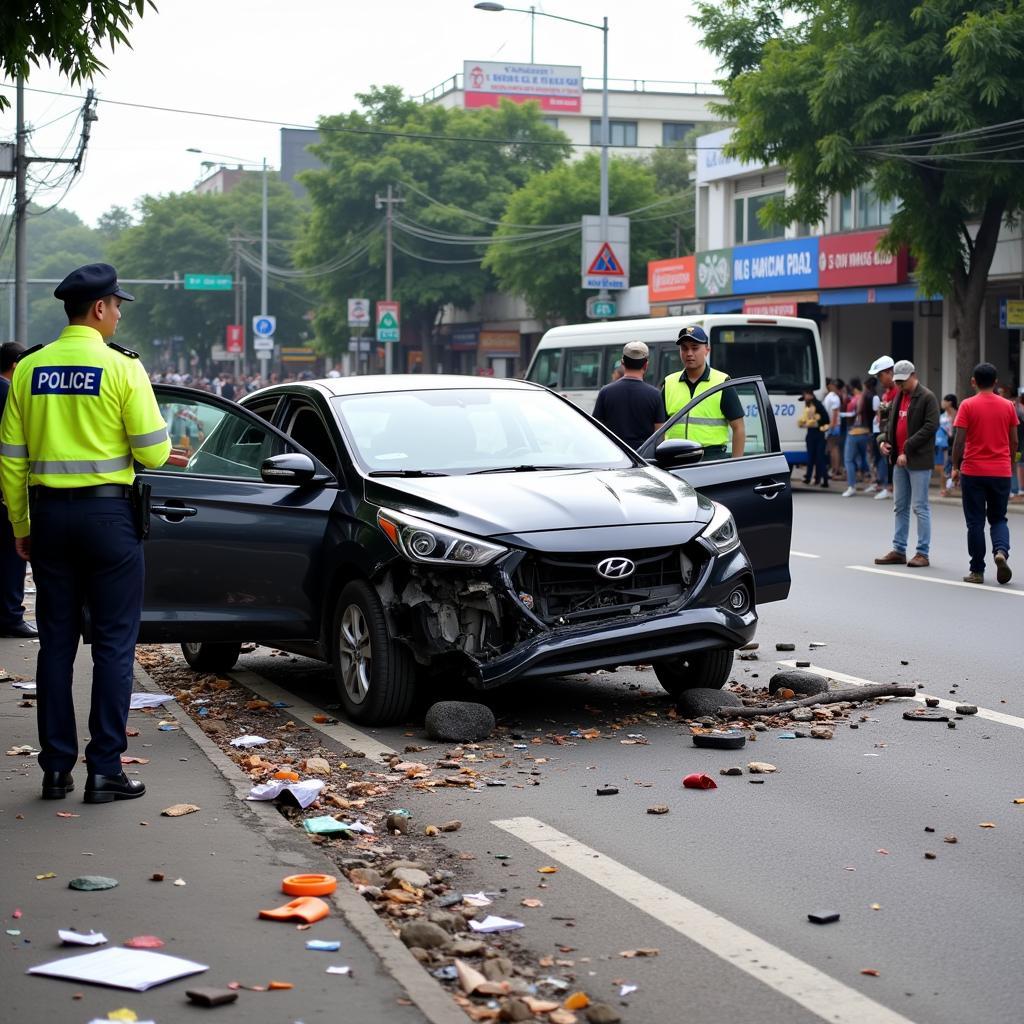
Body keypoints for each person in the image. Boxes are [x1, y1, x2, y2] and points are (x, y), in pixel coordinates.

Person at [0, 263, 171, 803]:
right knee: (115, 645)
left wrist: (21, 526)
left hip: (48, 519)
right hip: (108, 520)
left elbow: (10, 459)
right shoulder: (122, 367)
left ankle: (54, 770)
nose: (118, 314)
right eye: (117, 305)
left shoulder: (29, 368)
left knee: (55, 643)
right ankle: (105, 771)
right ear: (99, 309)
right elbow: (154, 452)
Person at [951, 363, 1019, 584]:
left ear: (973, 381)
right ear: (996, 381)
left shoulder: (967, 405)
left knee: (975, 522)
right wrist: (1007, 464)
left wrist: (955, 466)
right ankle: (1000, 551)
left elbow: (959, 442)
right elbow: (1014, 441)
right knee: (999, 518)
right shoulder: (1008, 406)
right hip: (1000, 471)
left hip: (973, 470)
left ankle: (977, 570)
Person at [874, 361, 939, 568]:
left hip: (918, 460)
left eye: (903, 381)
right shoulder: (898, 397)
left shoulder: (927, 397)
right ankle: (899, 549)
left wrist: (907, 449)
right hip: (898, 460)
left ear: (913, 375)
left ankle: (922, 552)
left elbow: (930, 427)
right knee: (899, 506)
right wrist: (883, 441)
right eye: (897, 381)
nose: (900, 385)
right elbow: (891, 426)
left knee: (920, 507)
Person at [662, 325, 745, 459]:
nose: (689, 353)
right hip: (674, 459)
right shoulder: (669, 382)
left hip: (711, 459)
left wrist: (736, 465)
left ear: (707, 350)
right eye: (684, 348)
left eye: (695, 348)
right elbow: (659, 427)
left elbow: (738, 428)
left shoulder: (722, 382)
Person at [0, 342, 37, 639]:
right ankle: (10, 615)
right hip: (2, 490)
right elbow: (14, 450)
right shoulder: (6, 393)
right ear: (15, 366)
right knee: (10, 558)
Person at [592, 341, 665, 450]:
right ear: (646, 365)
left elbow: (595, 429)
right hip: (643, 458)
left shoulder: (605, 392)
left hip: (614, 455)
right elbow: (659, 436)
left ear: (622, 363)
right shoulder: (655, 395)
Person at [868, 355, 896, 499]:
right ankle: (889, 486)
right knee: (888, 459)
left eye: (880, 376)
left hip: (898, 434)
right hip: (888, 432)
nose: (879, 380)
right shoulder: (887, 392)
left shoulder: (898, 390)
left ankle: (891, 487)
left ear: (890, 372)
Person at [841, 377, 873, 496]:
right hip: (865, 432)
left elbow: (849, 416)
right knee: (864, 458)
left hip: (853, 432)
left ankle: (851, 486)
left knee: (849, 460)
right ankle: (873, 481)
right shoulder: (866, 397)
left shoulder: (854, 400)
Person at [798, 385, 829, 486]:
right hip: (811, 434)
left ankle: (824, 480)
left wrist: (816, 423)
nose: (804, 398)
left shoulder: (817, 404)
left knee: (819, 458)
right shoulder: (809, 404)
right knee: (811, 457)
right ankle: (810, 477)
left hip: (818, 434)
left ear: (810, 395)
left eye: (805, 395)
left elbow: (826, 419)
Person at [823, 378, 844, 478]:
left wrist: (831, 426)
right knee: (832, 449)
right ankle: (834, 469)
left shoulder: (835, 398)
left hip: (834, 426)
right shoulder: (831, 396)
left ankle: (835, 470)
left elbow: (835, 414)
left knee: (833, 449)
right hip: (832, 425)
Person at [938, 393, 959, 494]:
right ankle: (944, 488)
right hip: (944, 444)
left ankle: (954, 487)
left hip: (957, 443)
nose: (942, 403)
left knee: (956, 465)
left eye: (944, 401)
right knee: (944, 465)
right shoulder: (941, 416)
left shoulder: (958, 414)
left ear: (950, 402)